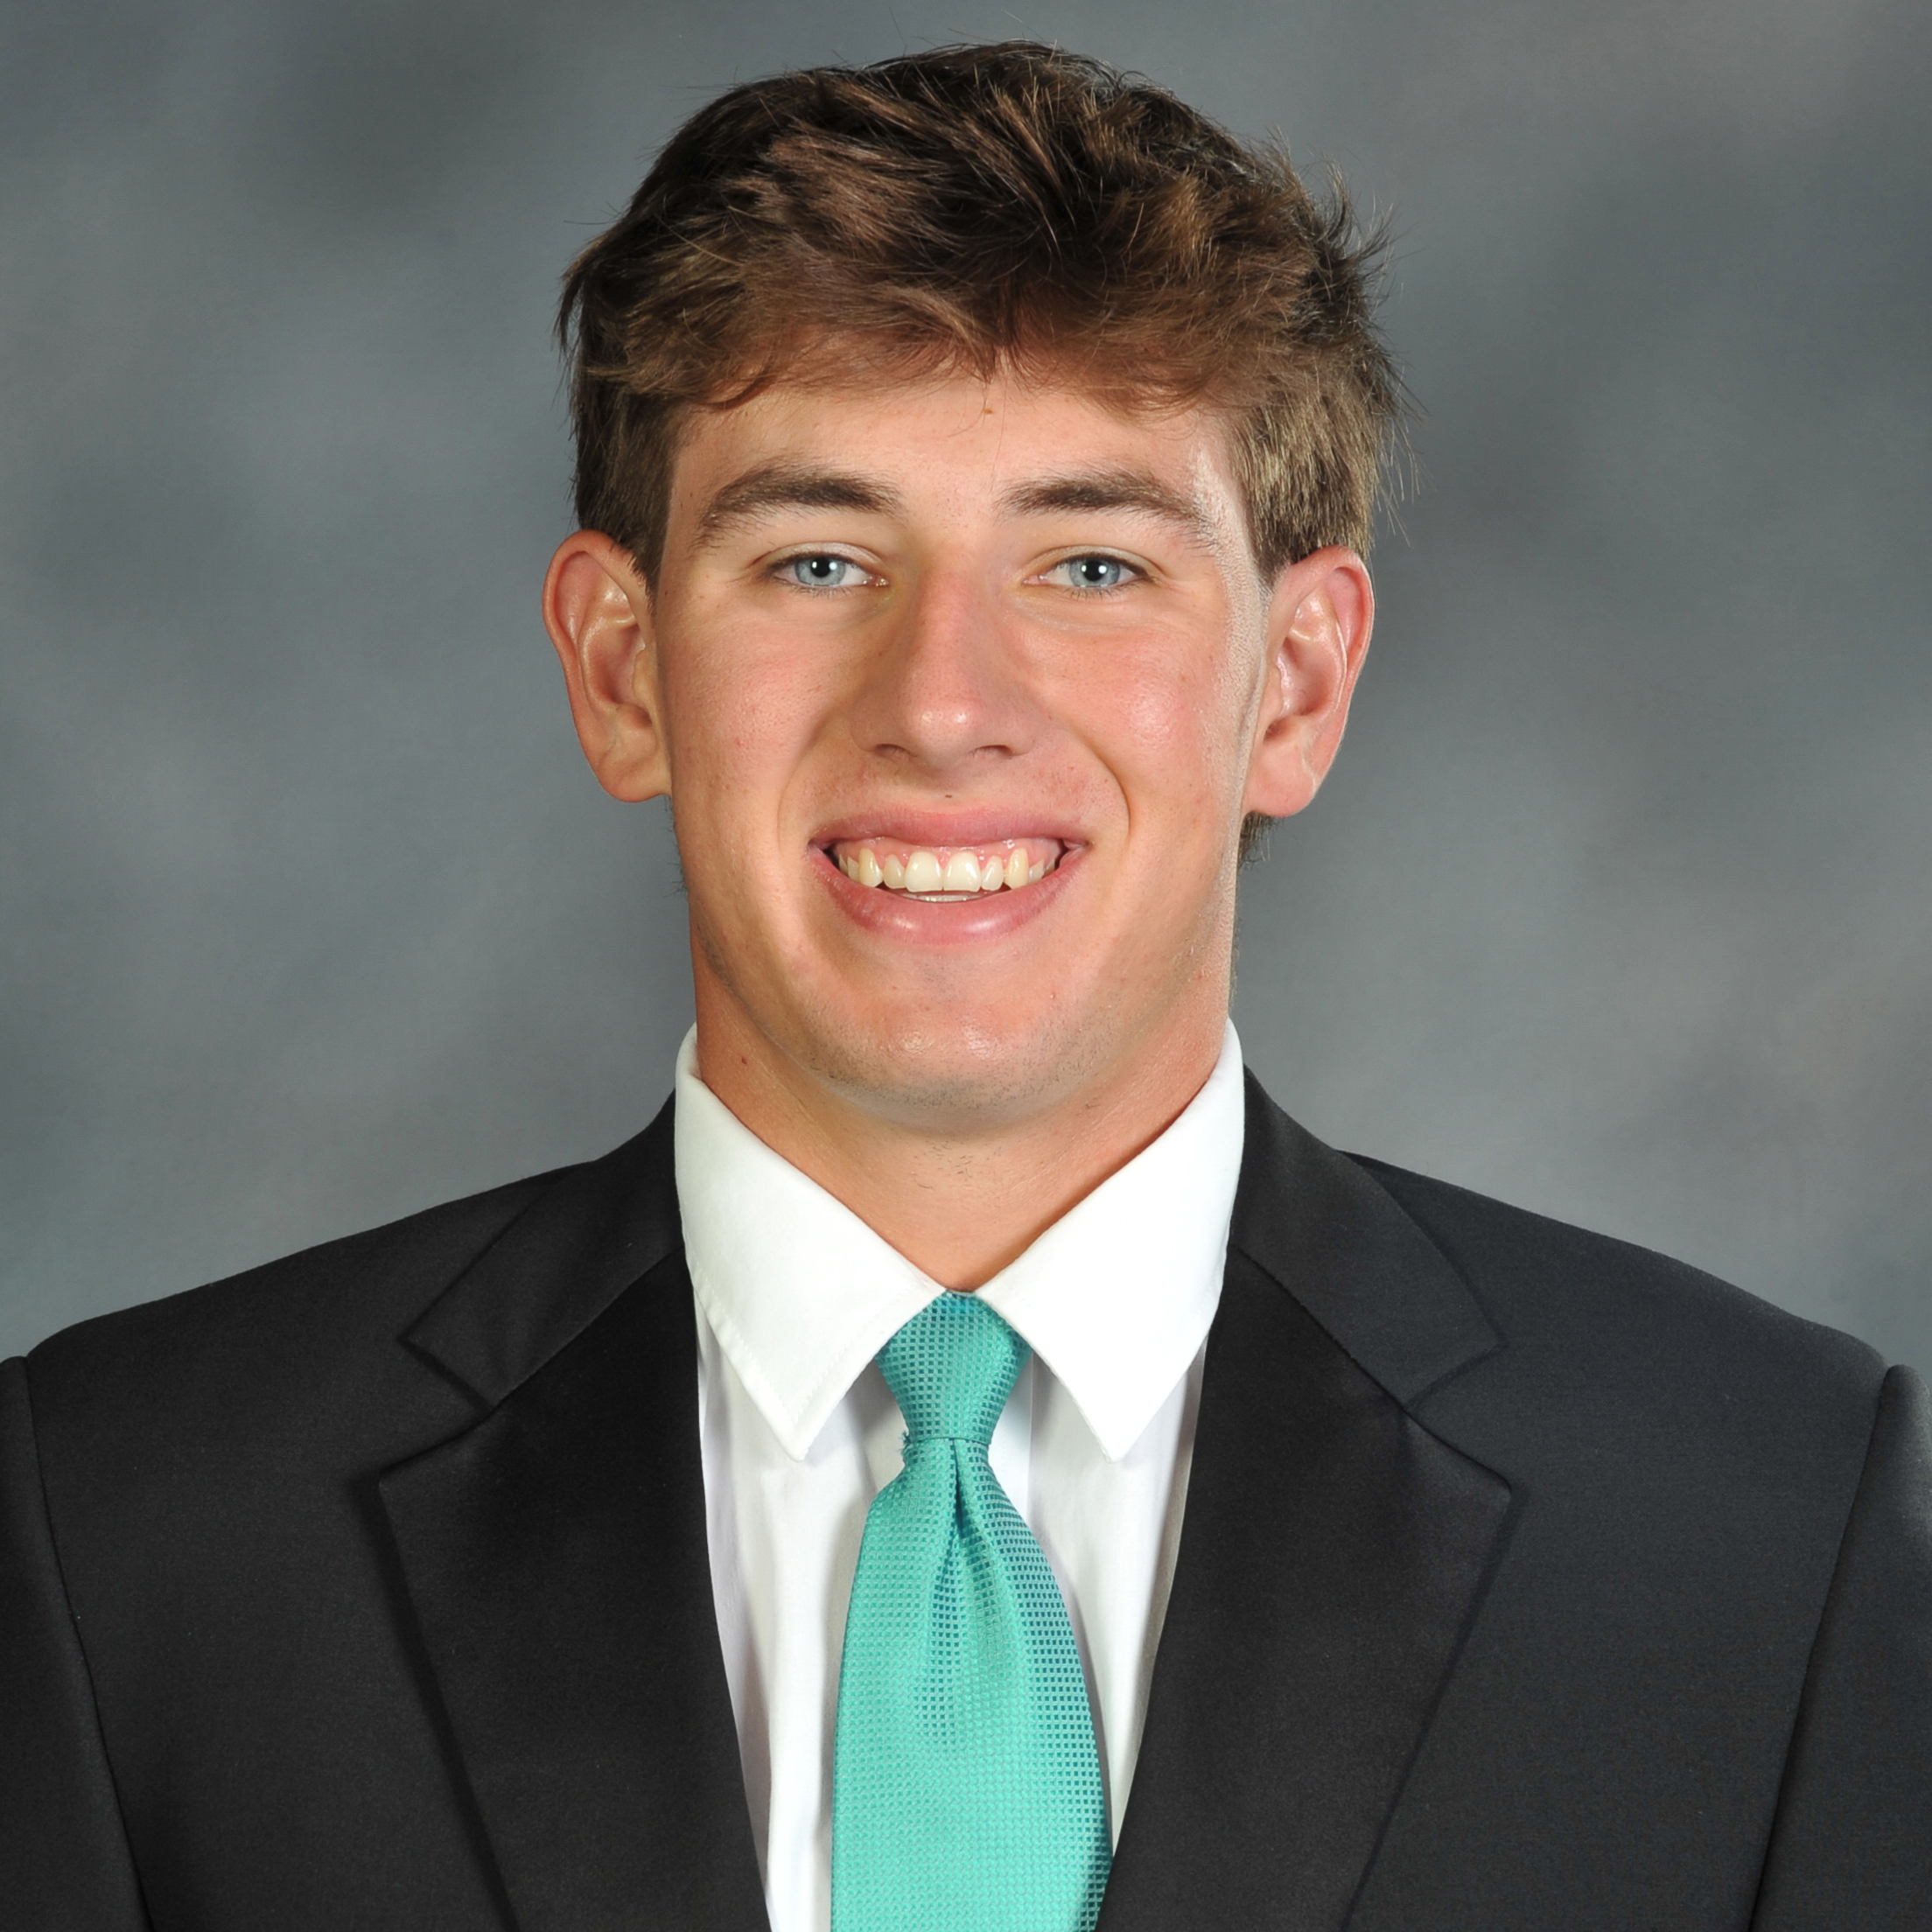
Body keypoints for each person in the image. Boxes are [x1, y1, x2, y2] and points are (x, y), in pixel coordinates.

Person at [2, 40, 1926, 1932]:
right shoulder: (127, 1532)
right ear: (621, 669)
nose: (941, 706)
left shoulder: (1766, 1530)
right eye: (818, 561)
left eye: (1090, 569)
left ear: (1297, 683)